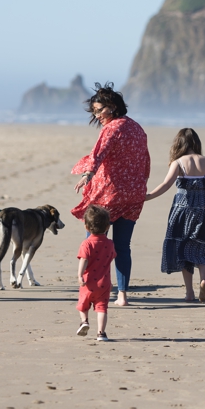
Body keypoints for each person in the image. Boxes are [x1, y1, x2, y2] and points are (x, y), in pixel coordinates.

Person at [72, 84, 149, 305]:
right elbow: (145, 161)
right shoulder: (137, 128)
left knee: (94, 244)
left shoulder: (111, 129)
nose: (97, 115)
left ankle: (92, 290)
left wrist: (87, 175)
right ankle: (122, 295)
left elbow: (98, 154)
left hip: (107, 196)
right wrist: (141, 186)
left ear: (113, 106)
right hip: (132, 196)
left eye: (99, 110)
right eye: (94, 111)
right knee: (123, 247)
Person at [142, 128, 205, 302]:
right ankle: (203, 280)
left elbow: (166, 185)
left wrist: (148, 197)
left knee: (183, 248)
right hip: (203, 210)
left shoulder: (179, 162)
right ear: (196, 143)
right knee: (202, 246)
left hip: (182, 210)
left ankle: (190, 292)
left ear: (179, 144)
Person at [75, 205, 115, 341]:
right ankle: (101, 333)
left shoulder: (86, 244)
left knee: (83, 304)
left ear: (86, 227)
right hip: (104, 282)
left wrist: (80, 275)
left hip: (88, 282)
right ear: (107, 227)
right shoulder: (110, 244)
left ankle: (84, 321)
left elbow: (84, 260)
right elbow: (110, 260)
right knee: (102, 308)